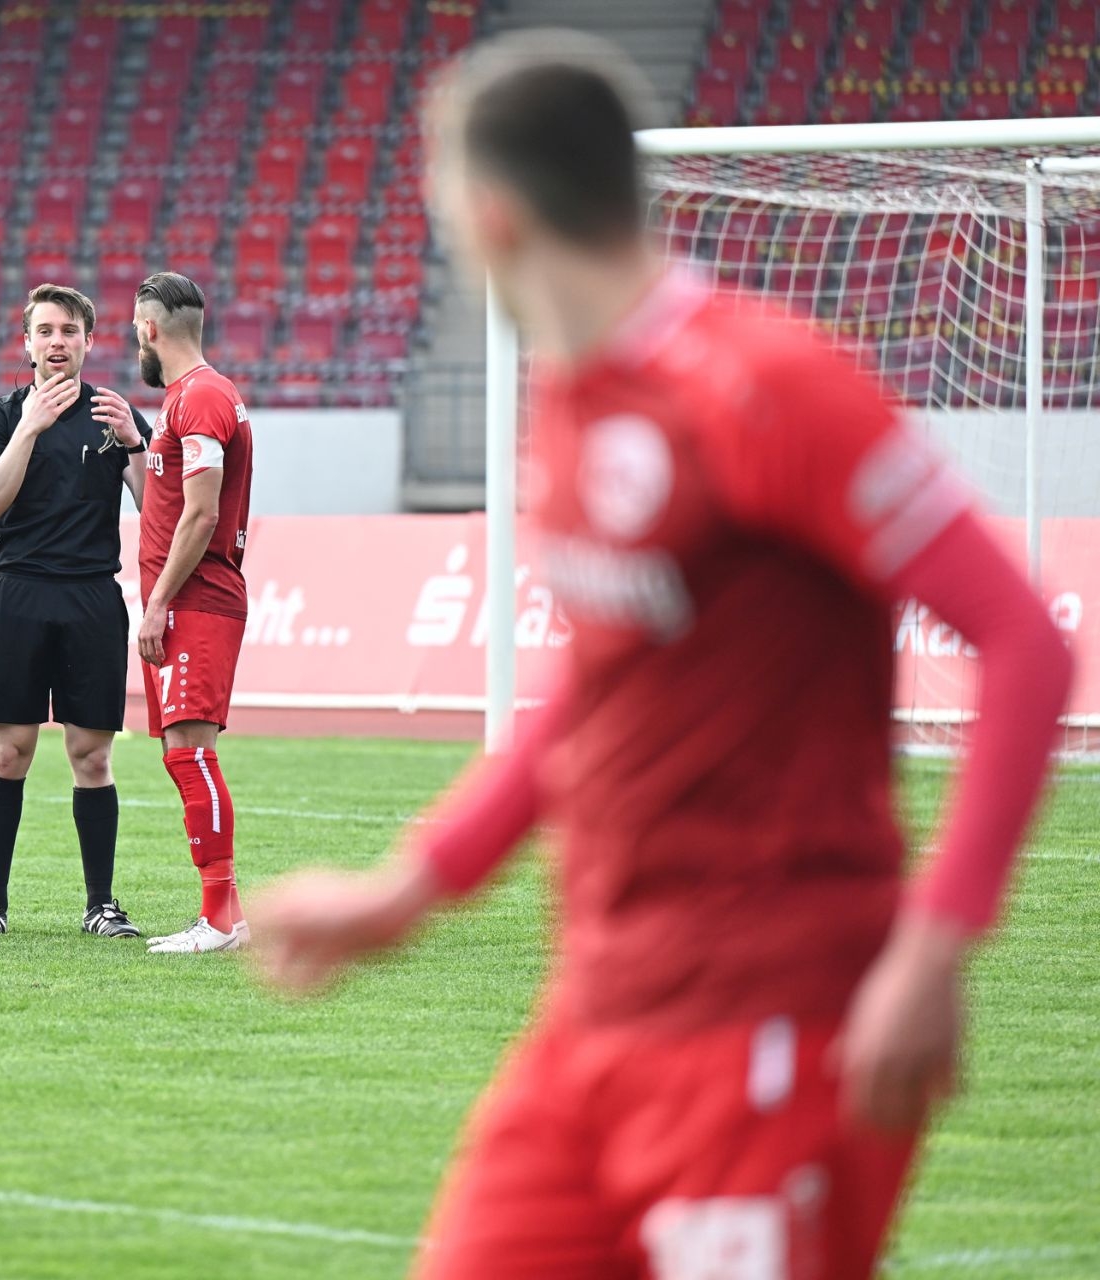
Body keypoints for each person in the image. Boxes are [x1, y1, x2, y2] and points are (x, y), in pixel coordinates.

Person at [251, 32, 1074, 1278]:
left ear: (492, 213)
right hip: (594, 1015)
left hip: (774, 1019)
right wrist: (410, 886)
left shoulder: (765, 384)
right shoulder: (572, 396)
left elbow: (1025, 643)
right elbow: (598, 689)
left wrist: (934, 943)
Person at [0, 283, 152, 939]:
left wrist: (135, 444)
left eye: (69, 330)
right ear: (27, 342)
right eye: (45, 331)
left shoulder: (113, 413)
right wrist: (30, 427)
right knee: (10, 752)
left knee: (91, 756)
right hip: (18, 594)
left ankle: (101, 905)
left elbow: (156, 512)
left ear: (89, 341)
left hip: (93, 596)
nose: (57, 341)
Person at [128, 272, 256, 955]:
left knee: (192, 755)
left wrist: (156, 604)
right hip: (188, 600)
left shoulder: (201, 396)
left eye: (134, 329)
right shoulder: (188, 397)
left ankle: (219, 921)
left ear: (151, 329)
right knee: (183, 754)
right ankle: (229, 915)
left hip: (196, 601)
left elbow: (202, 514)